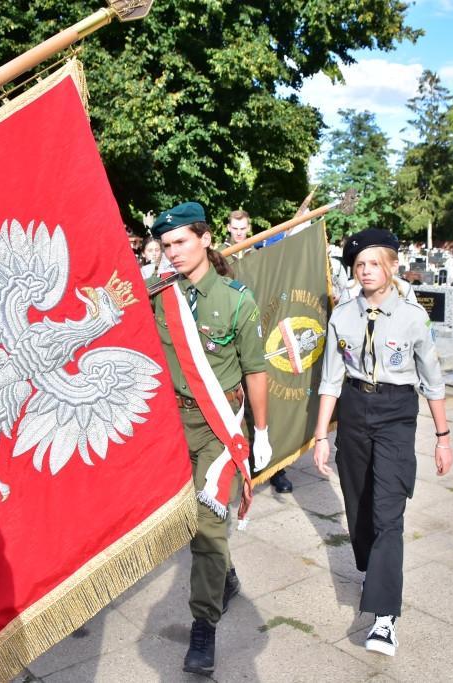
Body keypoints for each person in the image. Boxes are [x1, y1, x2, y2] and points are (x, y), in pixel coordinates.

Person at [311, 227, 453, 658]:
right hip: (354, 411)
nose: (367, 271)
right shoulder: (342, 316)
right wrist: (321, 435)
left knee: (389, 510)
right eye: (359, 265)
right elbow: (331, 378)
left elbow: (432, 380)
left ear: (391, 267)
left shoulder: (412, 318)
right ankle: (374, 570)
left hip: (396, 413)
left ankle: (384, 617)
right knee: (358, 504)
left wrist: (443, 438)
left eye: (374, 263)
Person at [147, 202, 272, 676]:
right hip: (170, 427)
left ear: (205, 238)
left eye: (180, 241)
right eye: (166, 245)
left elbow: (256, 370)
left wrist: (260, 432)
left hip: (218, 428)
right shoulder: (159, 296)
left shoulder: (238, 300)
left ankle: (204, 625)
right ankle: (226, 577)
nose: (173, 252)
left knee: (207, 525)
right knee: (187, 523)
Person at [218, 210, 292, 493]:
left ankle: (277, 467)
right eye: (235, 228)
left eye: (243, 228)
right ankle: (239, 464)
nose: (239, 232)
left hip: (264, 330)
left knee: (270, 399)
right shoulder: (220, 256)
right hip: (231, 335)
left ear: (249, 227)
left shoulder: (260, 253)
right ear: (228, 228)